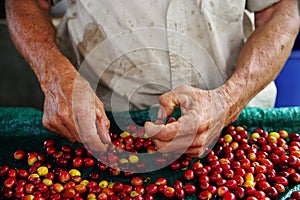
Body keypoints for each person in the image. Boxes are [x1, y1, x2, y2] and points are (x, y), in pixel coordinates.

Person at [5, 0, 299, 158]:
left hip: (230, 115)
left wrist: (229, 99)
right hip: (97, 121)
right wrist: (55, 76)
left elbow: (278, 8)